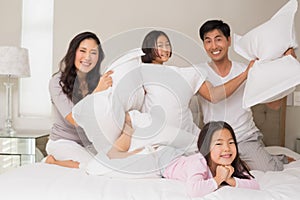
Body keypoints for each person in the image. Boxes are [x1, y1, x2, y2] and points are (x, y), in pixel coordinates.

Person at [197, 19, 296, 171]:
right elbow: (213, 96)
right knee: (209, 172)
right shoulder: (199, 72)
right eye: (208, 41)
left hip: (245, 138)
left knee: (269, 171)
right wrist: (246, 74)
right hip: (214, 141)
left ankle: (276, 159)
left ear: (228, 41)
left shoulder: (245, 69)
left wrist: (287, 70)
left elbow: (274, 105)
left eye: (218, 39)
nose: (214, 46)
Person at [45, 31, 113, 168]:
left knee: (113, 164)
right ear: (73, 52)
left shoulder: (97, 81)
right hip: (63, 141)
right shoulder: (57, 82)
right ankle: (53, 162)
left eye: (93, 53)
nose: (88, 57)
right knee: (96, 167)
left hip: (88, 143)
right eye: (83, 51)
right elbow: (75, 120)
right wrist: (98, 91)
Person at [163, 121, 260, 198]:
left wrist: (229, 179)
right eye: (218, 143)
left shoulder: (233, 164)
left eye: (231, 142)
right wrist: (218, 178)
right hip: (166, 161)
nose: (227, 148)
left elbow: (254, 185)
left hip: (182, 158)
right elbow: (194, 191)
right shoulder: (198, 163)